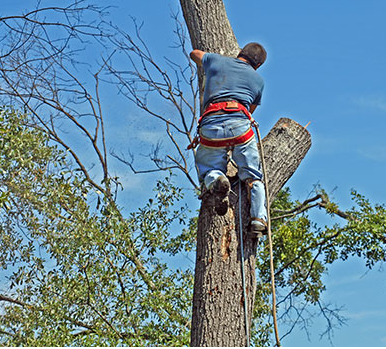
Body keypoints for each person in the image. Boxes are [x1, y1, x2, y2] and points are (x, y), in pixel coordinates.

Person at [189, 42, 268, 235]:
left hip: (210, 127)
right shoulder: (258, 80)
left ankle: (217, 180)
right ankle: (258, 218)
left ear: (240, 53)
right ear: (257, 65)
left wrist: (210, 60)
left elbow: (194, 54)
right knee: (253, 175)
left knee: (208, 169)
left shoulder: (215, 61)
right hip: (240, 127)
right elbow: (249, 111)